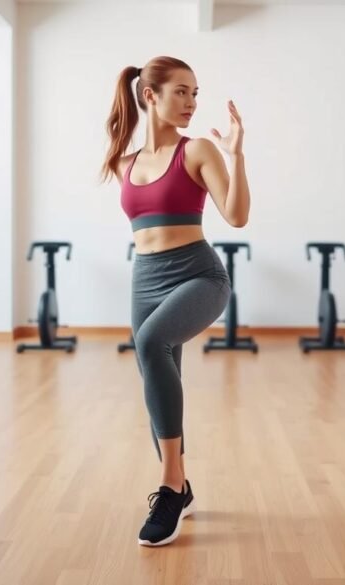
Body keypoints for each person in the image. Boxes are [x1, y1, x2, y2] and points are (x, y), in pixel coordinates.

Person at [101, 55, 251, 546]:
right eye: (180, 91)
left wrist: (237, 156)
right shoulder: (125, 163)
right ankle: (179, 485)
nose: (190, 102)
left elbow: (236, 216)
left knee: (150, 344)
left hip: (199, 276)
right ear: (150, 95)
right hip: (145, 278)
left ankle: (169, 485)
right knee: (156, 374)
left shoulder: (198, 151)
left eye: (194, 93)